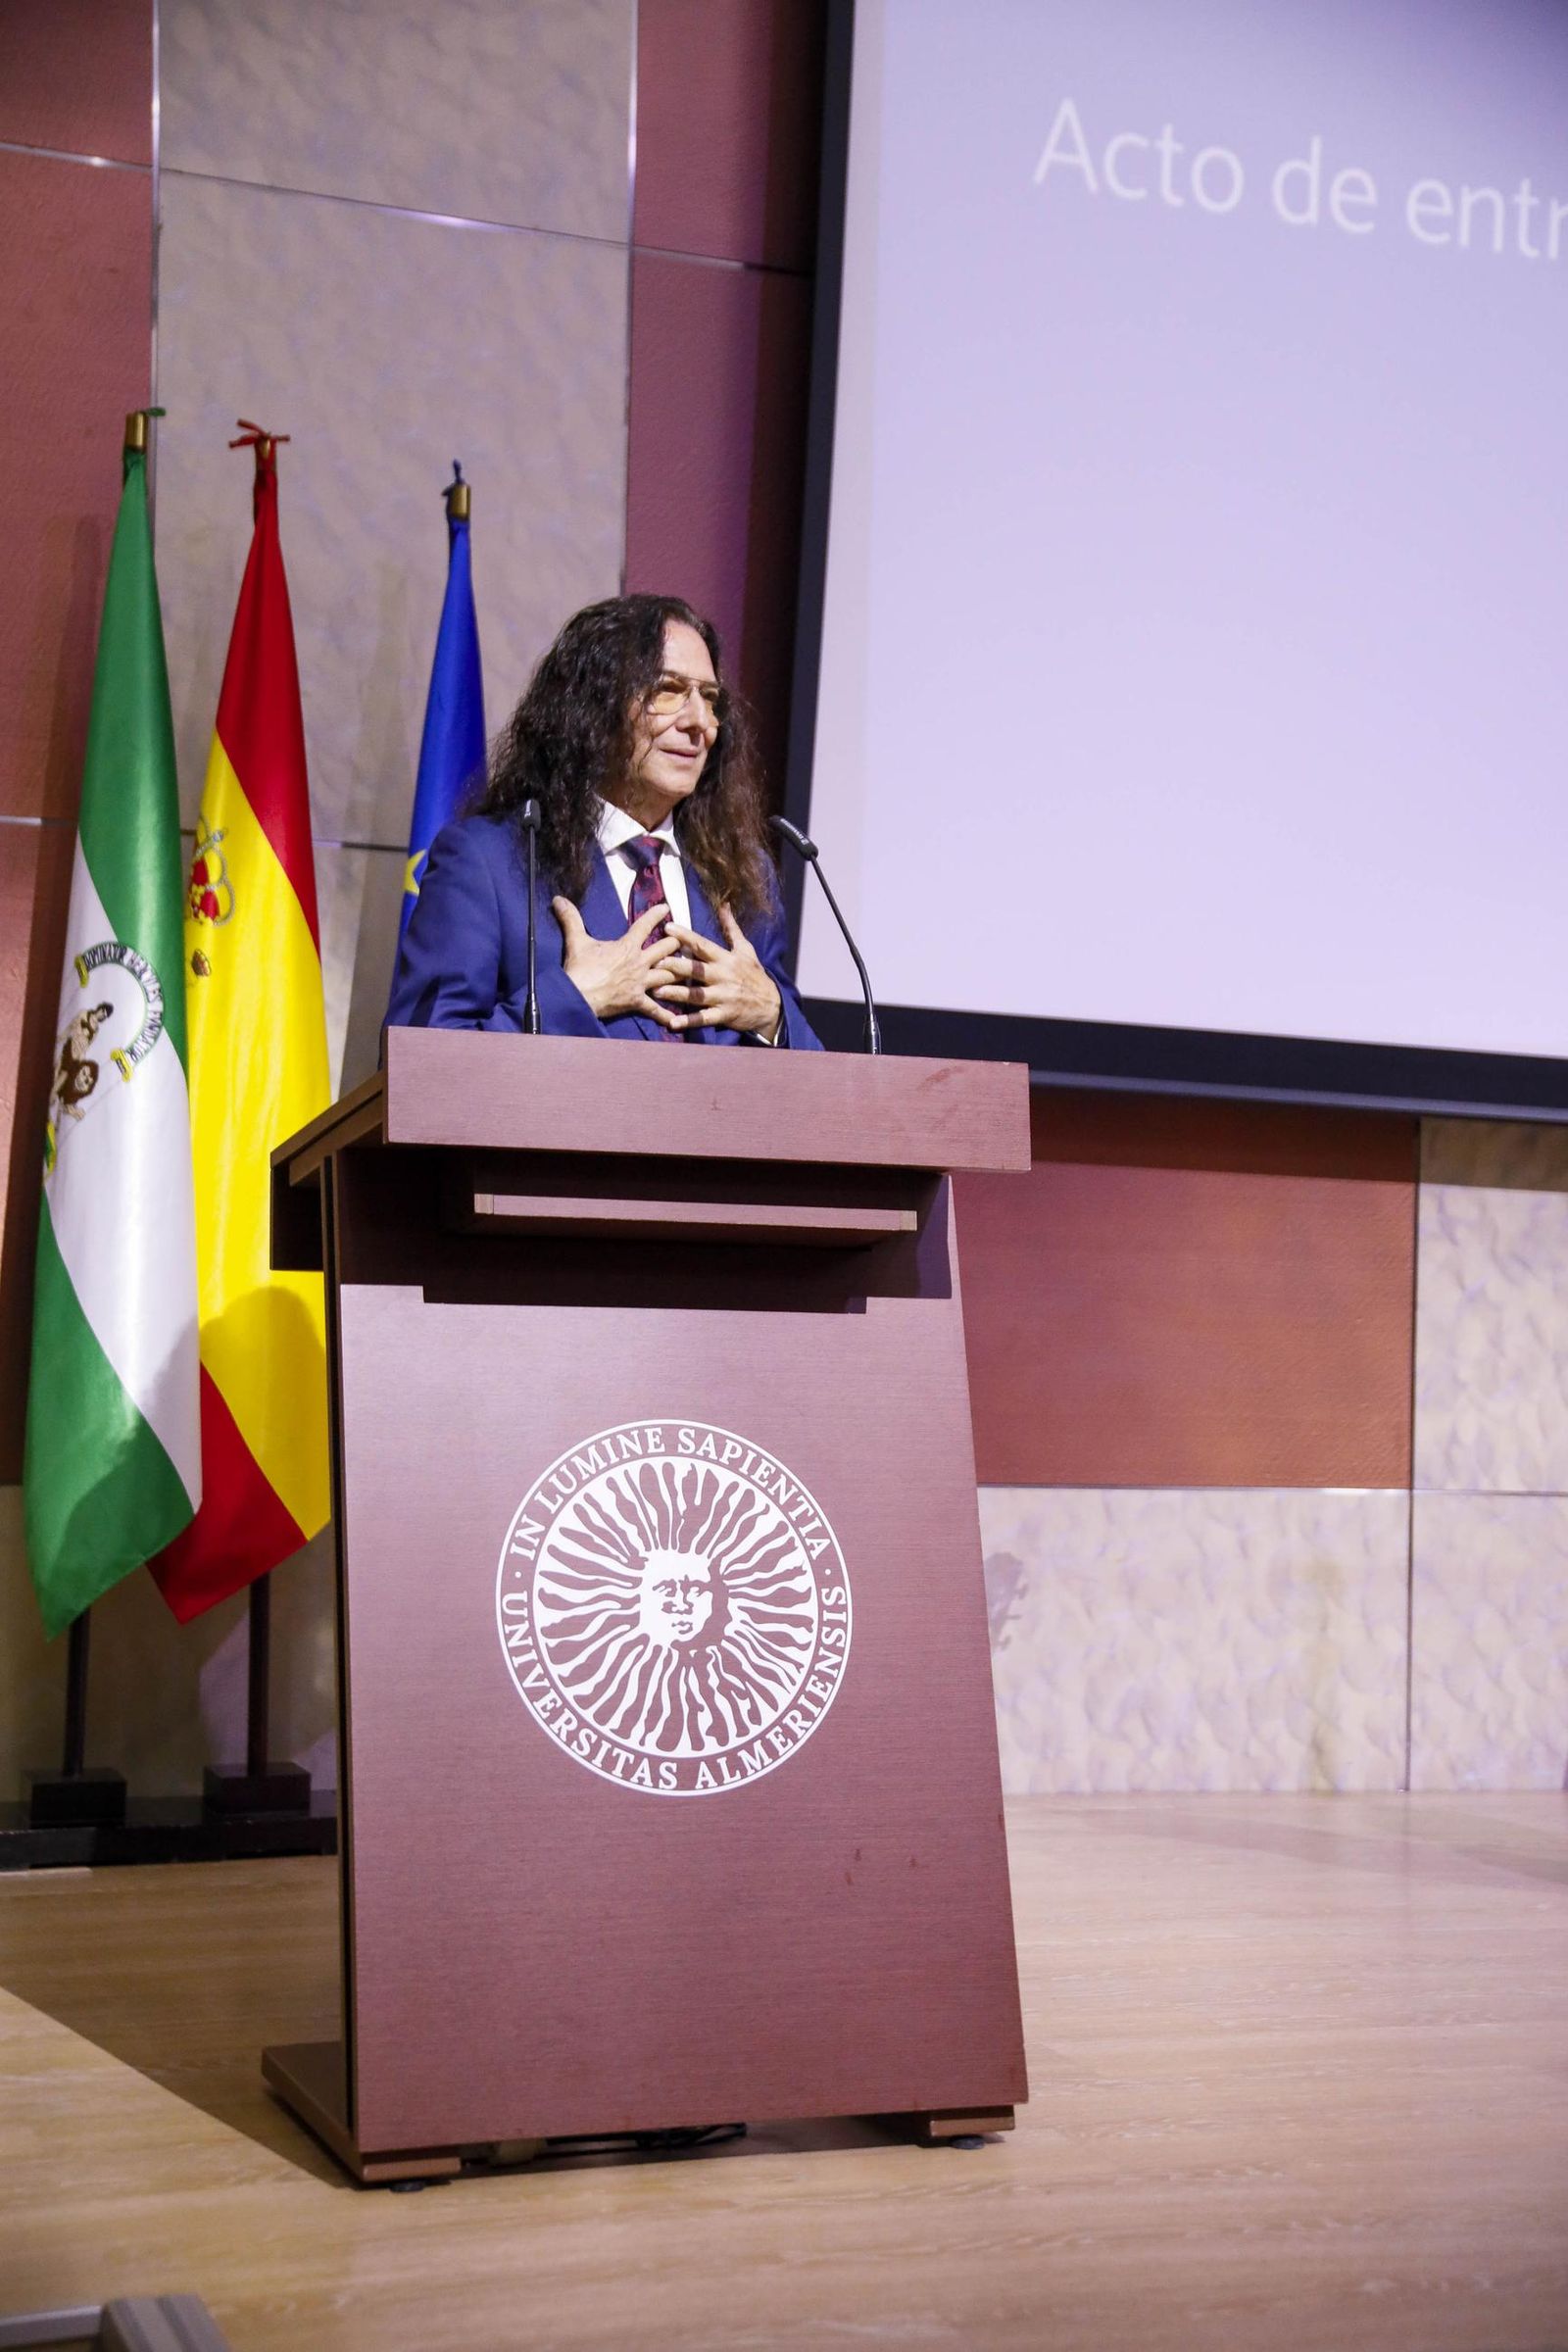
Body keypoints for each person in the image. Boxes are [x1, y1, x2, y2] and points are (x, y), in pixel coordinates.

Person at [387, 594, 822, 1050]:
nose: (700, 722)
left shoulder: (741, 874)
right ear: (595, 706)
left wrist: (770, 1014)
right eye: (668, 690)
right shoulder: (487, 863)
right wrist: (575, 998)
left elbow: (815, 1088)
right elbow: (421, 1063)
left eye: (710, 699)